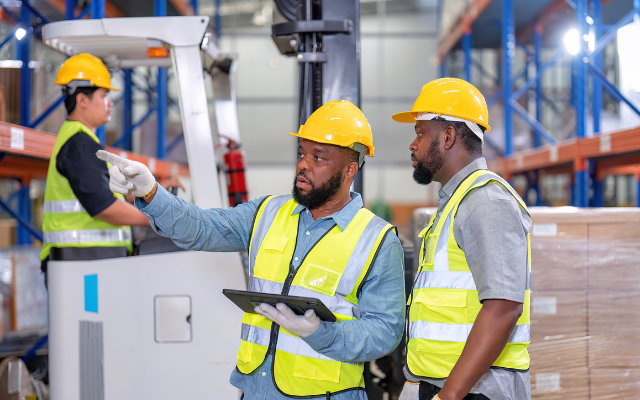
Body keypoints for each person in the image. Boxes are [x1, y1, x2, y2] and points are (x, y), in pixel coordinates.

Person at [96, 100, 406, 399]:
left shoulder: (376, 240)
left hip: (324, 395)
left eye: (319, 158)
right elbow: (202, 228)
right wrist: (151, 193)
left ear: (350, 170)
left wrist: (318, 332)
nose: (303, 165)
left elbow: (385, 332)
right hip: (256, 388)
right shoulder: (267, 212)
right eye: (302, 153)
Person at [393, 78, 532, 400]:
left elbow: (503, 307)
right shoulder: (457, 201)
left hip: (474, 391)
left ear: (448, 136)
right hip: (446, 385)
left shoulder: (485, 202)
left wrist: (448, 396)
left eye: (419, 133)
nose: (413, 145)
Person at [40, 53, 181, 283]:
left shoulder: (83, 141)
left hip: (87, 262)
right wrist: (158, 217)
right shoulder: (79, 145)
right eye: (104, 95)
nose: (110, 102)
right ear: (82, 100)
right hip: (81, 265)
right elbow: (104, 207)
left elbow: (108, 192)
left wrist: (155, 193)